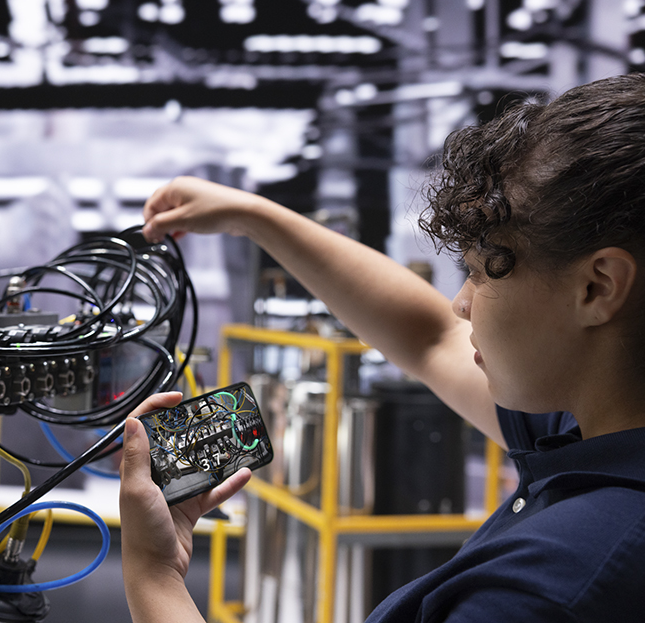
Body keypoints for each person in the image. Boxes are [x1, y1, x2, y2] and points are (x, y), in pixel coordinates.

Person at [118, 72, 645, 623]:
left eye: (480, 273)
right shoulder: (588, 426)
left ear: (598, 286)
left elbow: (434, 335)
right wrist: (253, 217)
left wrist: (154, 575)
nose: (461, 305)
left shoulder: (547, 591)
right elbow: (427, 337)